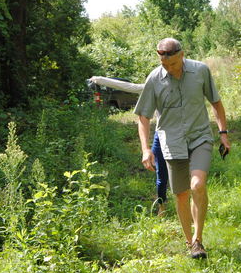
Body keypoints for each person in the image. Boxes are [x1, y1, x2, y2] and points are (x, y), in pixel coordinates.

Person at [134, 38, 231, 259]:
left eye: (173, 64)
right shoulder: (154, 79)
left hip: (199, 137)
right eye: (164, 64)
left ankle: (199, 239)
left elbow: (216, 102)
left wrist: (223, 133)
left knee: (197, 185)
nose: (168, 68)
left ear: (182, 55)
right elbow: (143, 117)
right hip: (171, 142)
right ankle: (190, 244)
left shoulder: (200, 71)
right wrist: (145, 149)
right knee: (180, 195)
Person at [88, 76, 170, 214]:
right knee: (160, 174)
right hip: (161, 135)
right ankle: (162, 207)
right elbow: (129, 87)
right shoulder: (153, 86)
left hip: (182, 135)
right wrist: (100, 80)